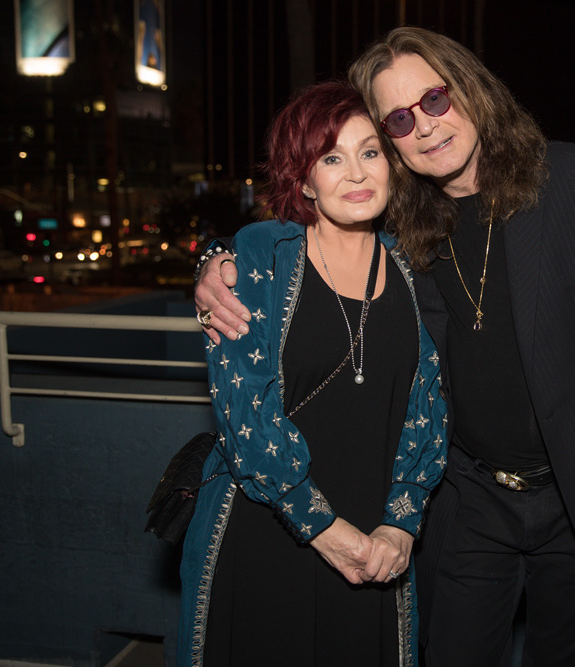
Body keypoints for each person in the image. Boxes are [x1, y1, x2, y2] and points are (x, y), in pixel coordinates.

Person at [195, 28, 575, 667]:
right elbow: (301, 229)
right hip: (468, 493)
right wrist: (211, 266)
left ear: (470, 90)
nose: (423, 126)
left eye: (434, 100)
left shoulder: (570, 177)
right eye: (397, 120)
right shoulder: (399, 222)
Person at [180, 80, 447, 667]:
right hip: (268, 532)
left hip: (376, 546)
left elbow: (427, 408)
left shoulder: (413, 267)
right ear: (303, 179)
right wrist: (324, 528)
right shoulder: (260, 256)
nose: (356, 173)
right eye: (332, 157)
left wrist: (401, 524)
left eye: (370, 151)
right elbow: (243, 409)